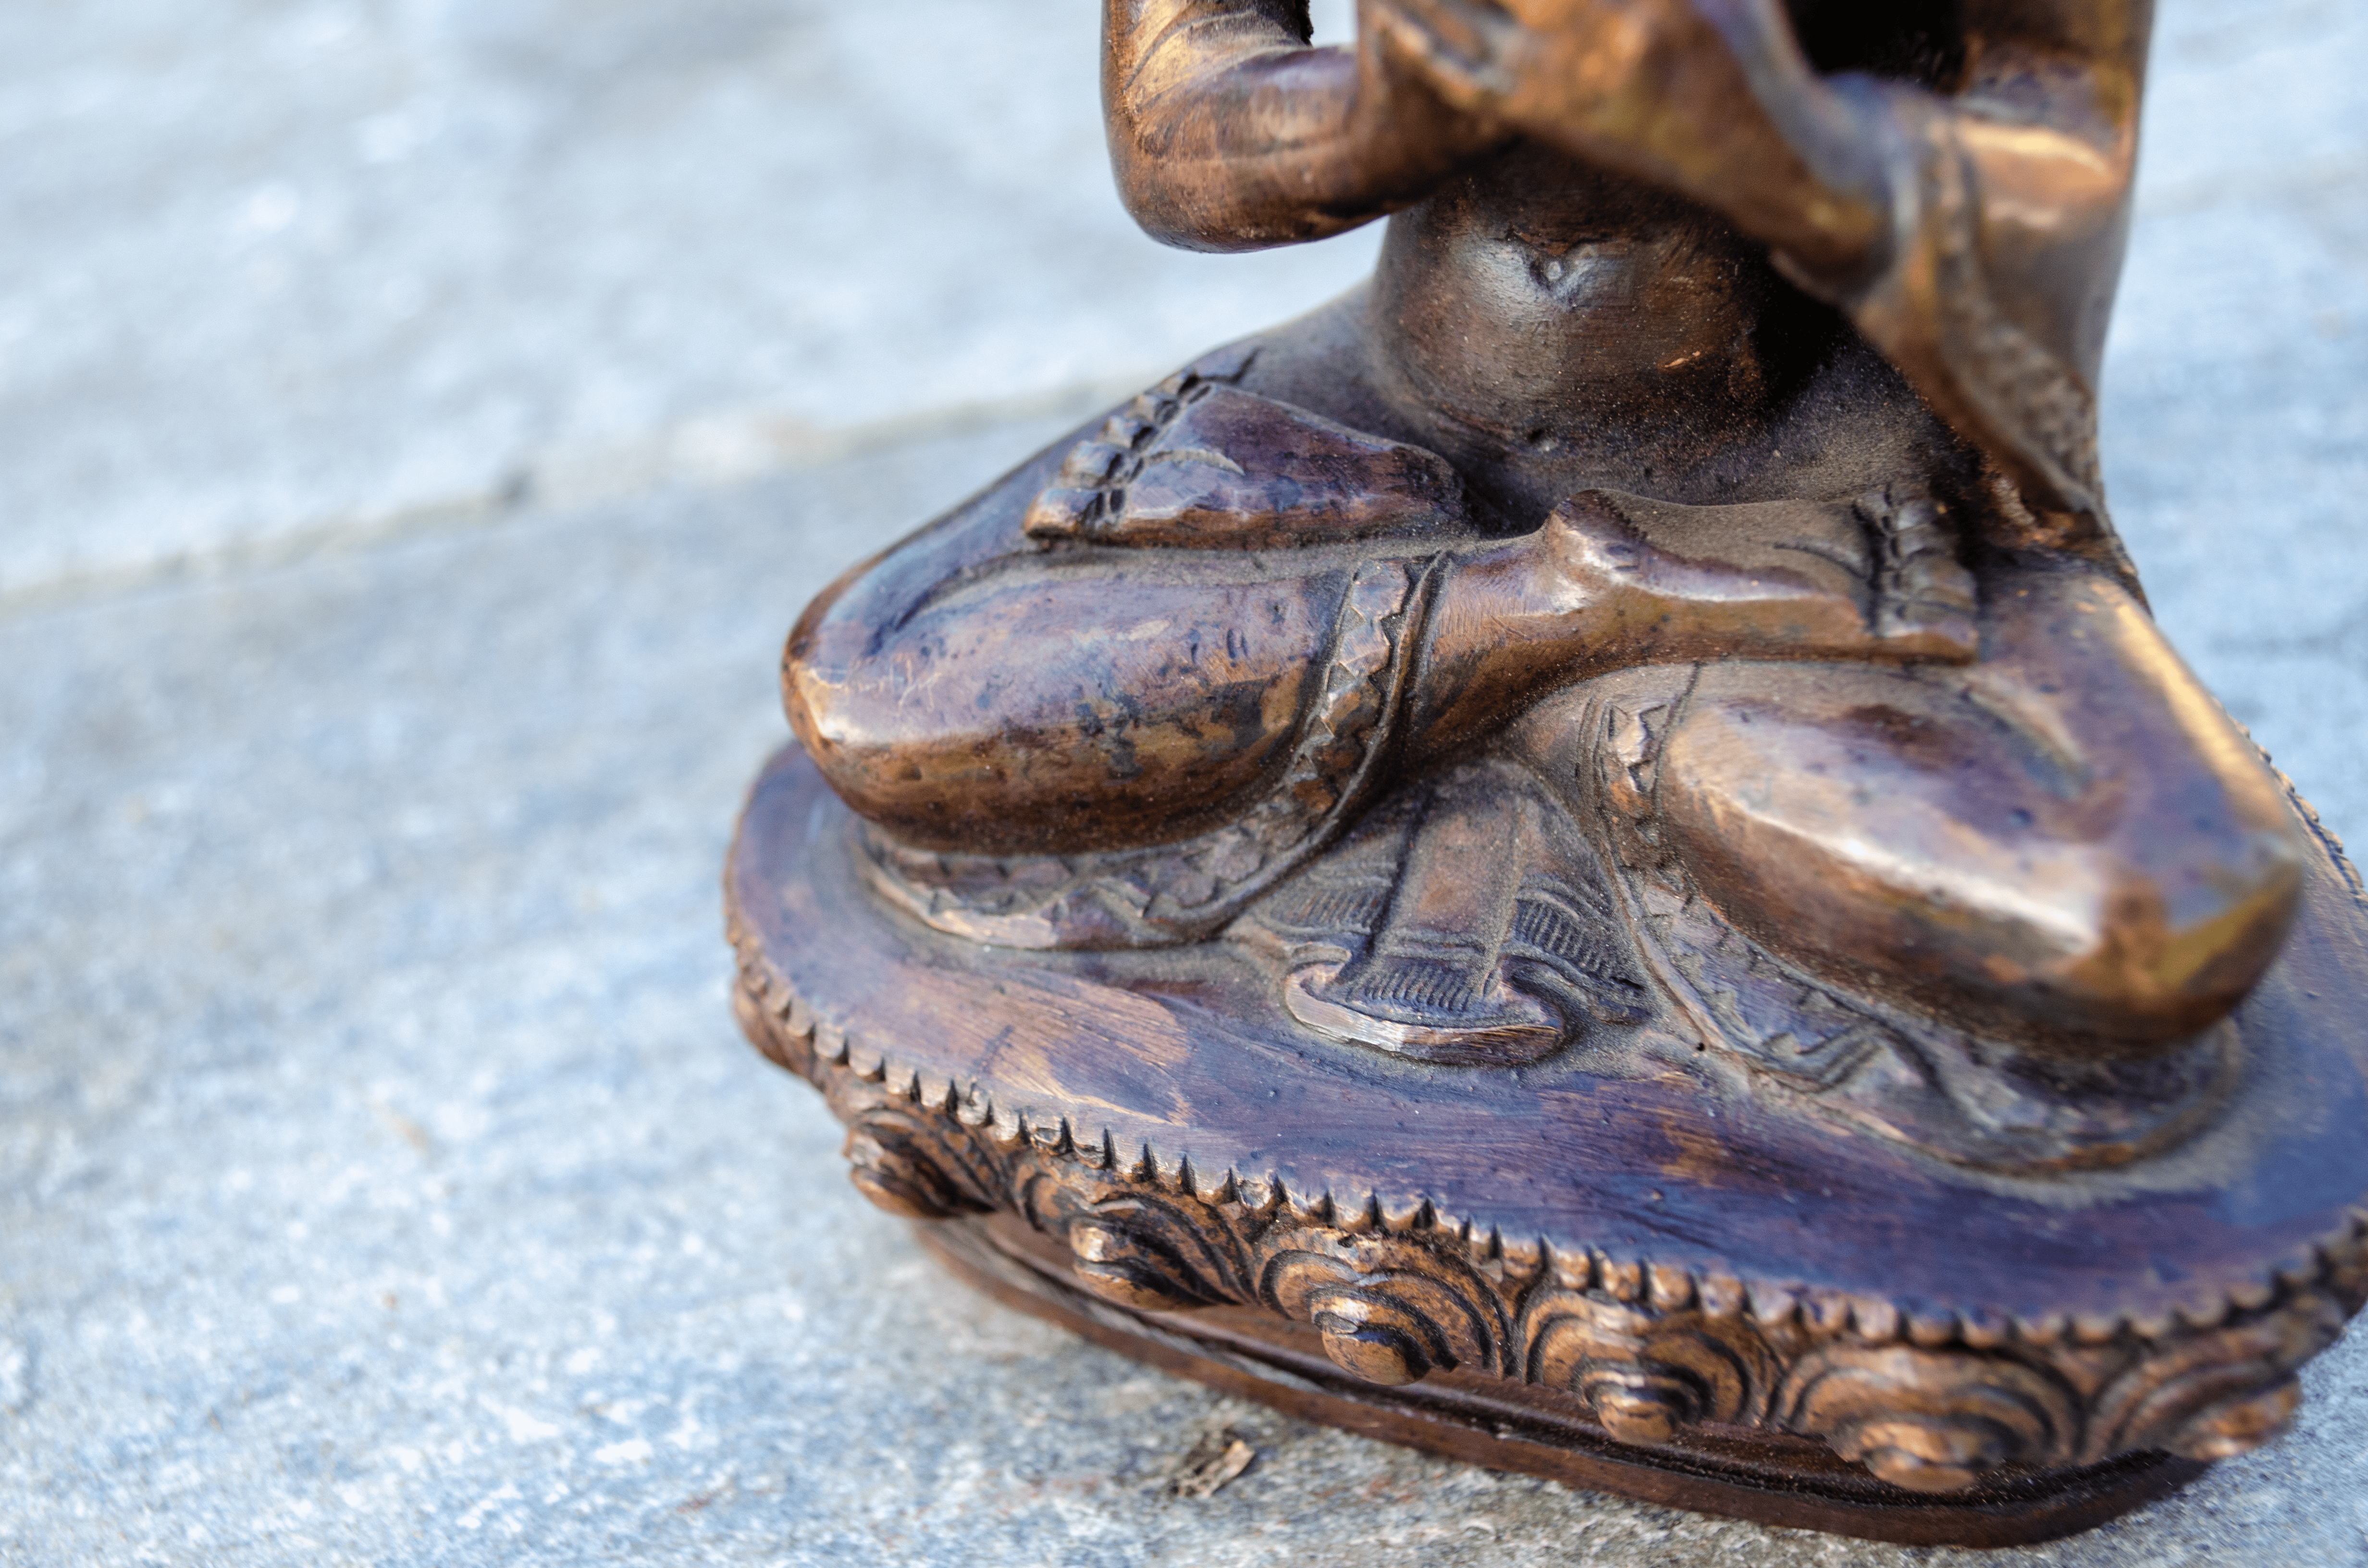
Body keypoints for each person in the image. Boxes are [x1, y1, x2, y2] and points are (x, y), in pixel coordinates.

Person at [782, 0, 2301, 1058]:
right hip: (1383, 413)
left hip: (1796, 470)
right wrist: (1398, 108)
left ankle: (1520, 686)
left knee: (2146, 908)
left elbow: (2061, 159)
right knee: (878, 688)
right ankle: (1579, 629)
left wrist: (1776, 143)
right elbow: (1178, 118)